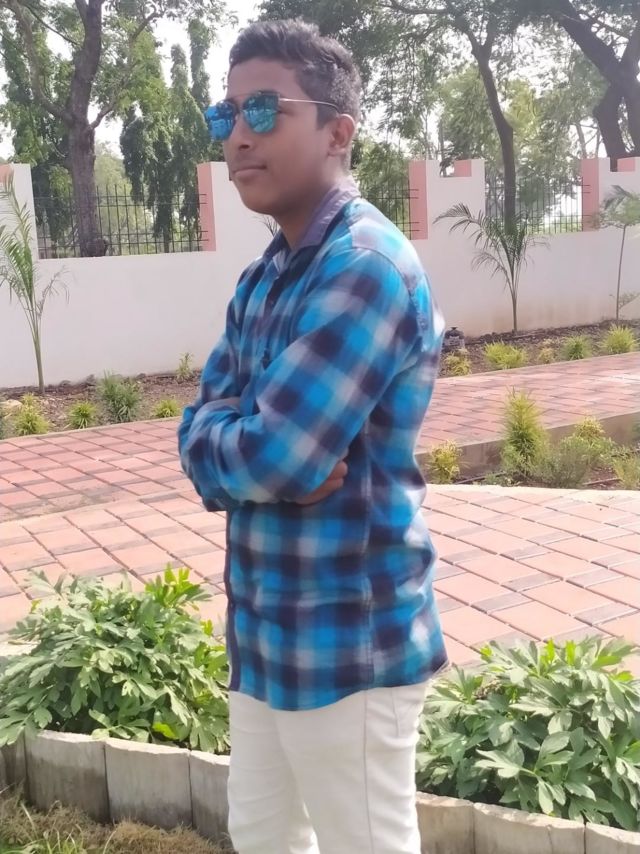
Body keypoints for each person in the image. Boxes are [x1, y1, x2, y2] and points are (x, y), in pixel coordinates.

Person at [178, 19, 448, 854]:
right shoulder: (265, 277)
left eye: (264, 109)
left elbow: (278, 452)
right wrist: (239, 445)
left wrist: (244, 446)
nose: (239, 135)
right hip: (265, 635)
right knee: (261, 835)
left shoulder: (364, 266)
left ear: (338, 132)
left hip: (348, 647)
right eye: (227, 115)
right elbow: (205, 436)